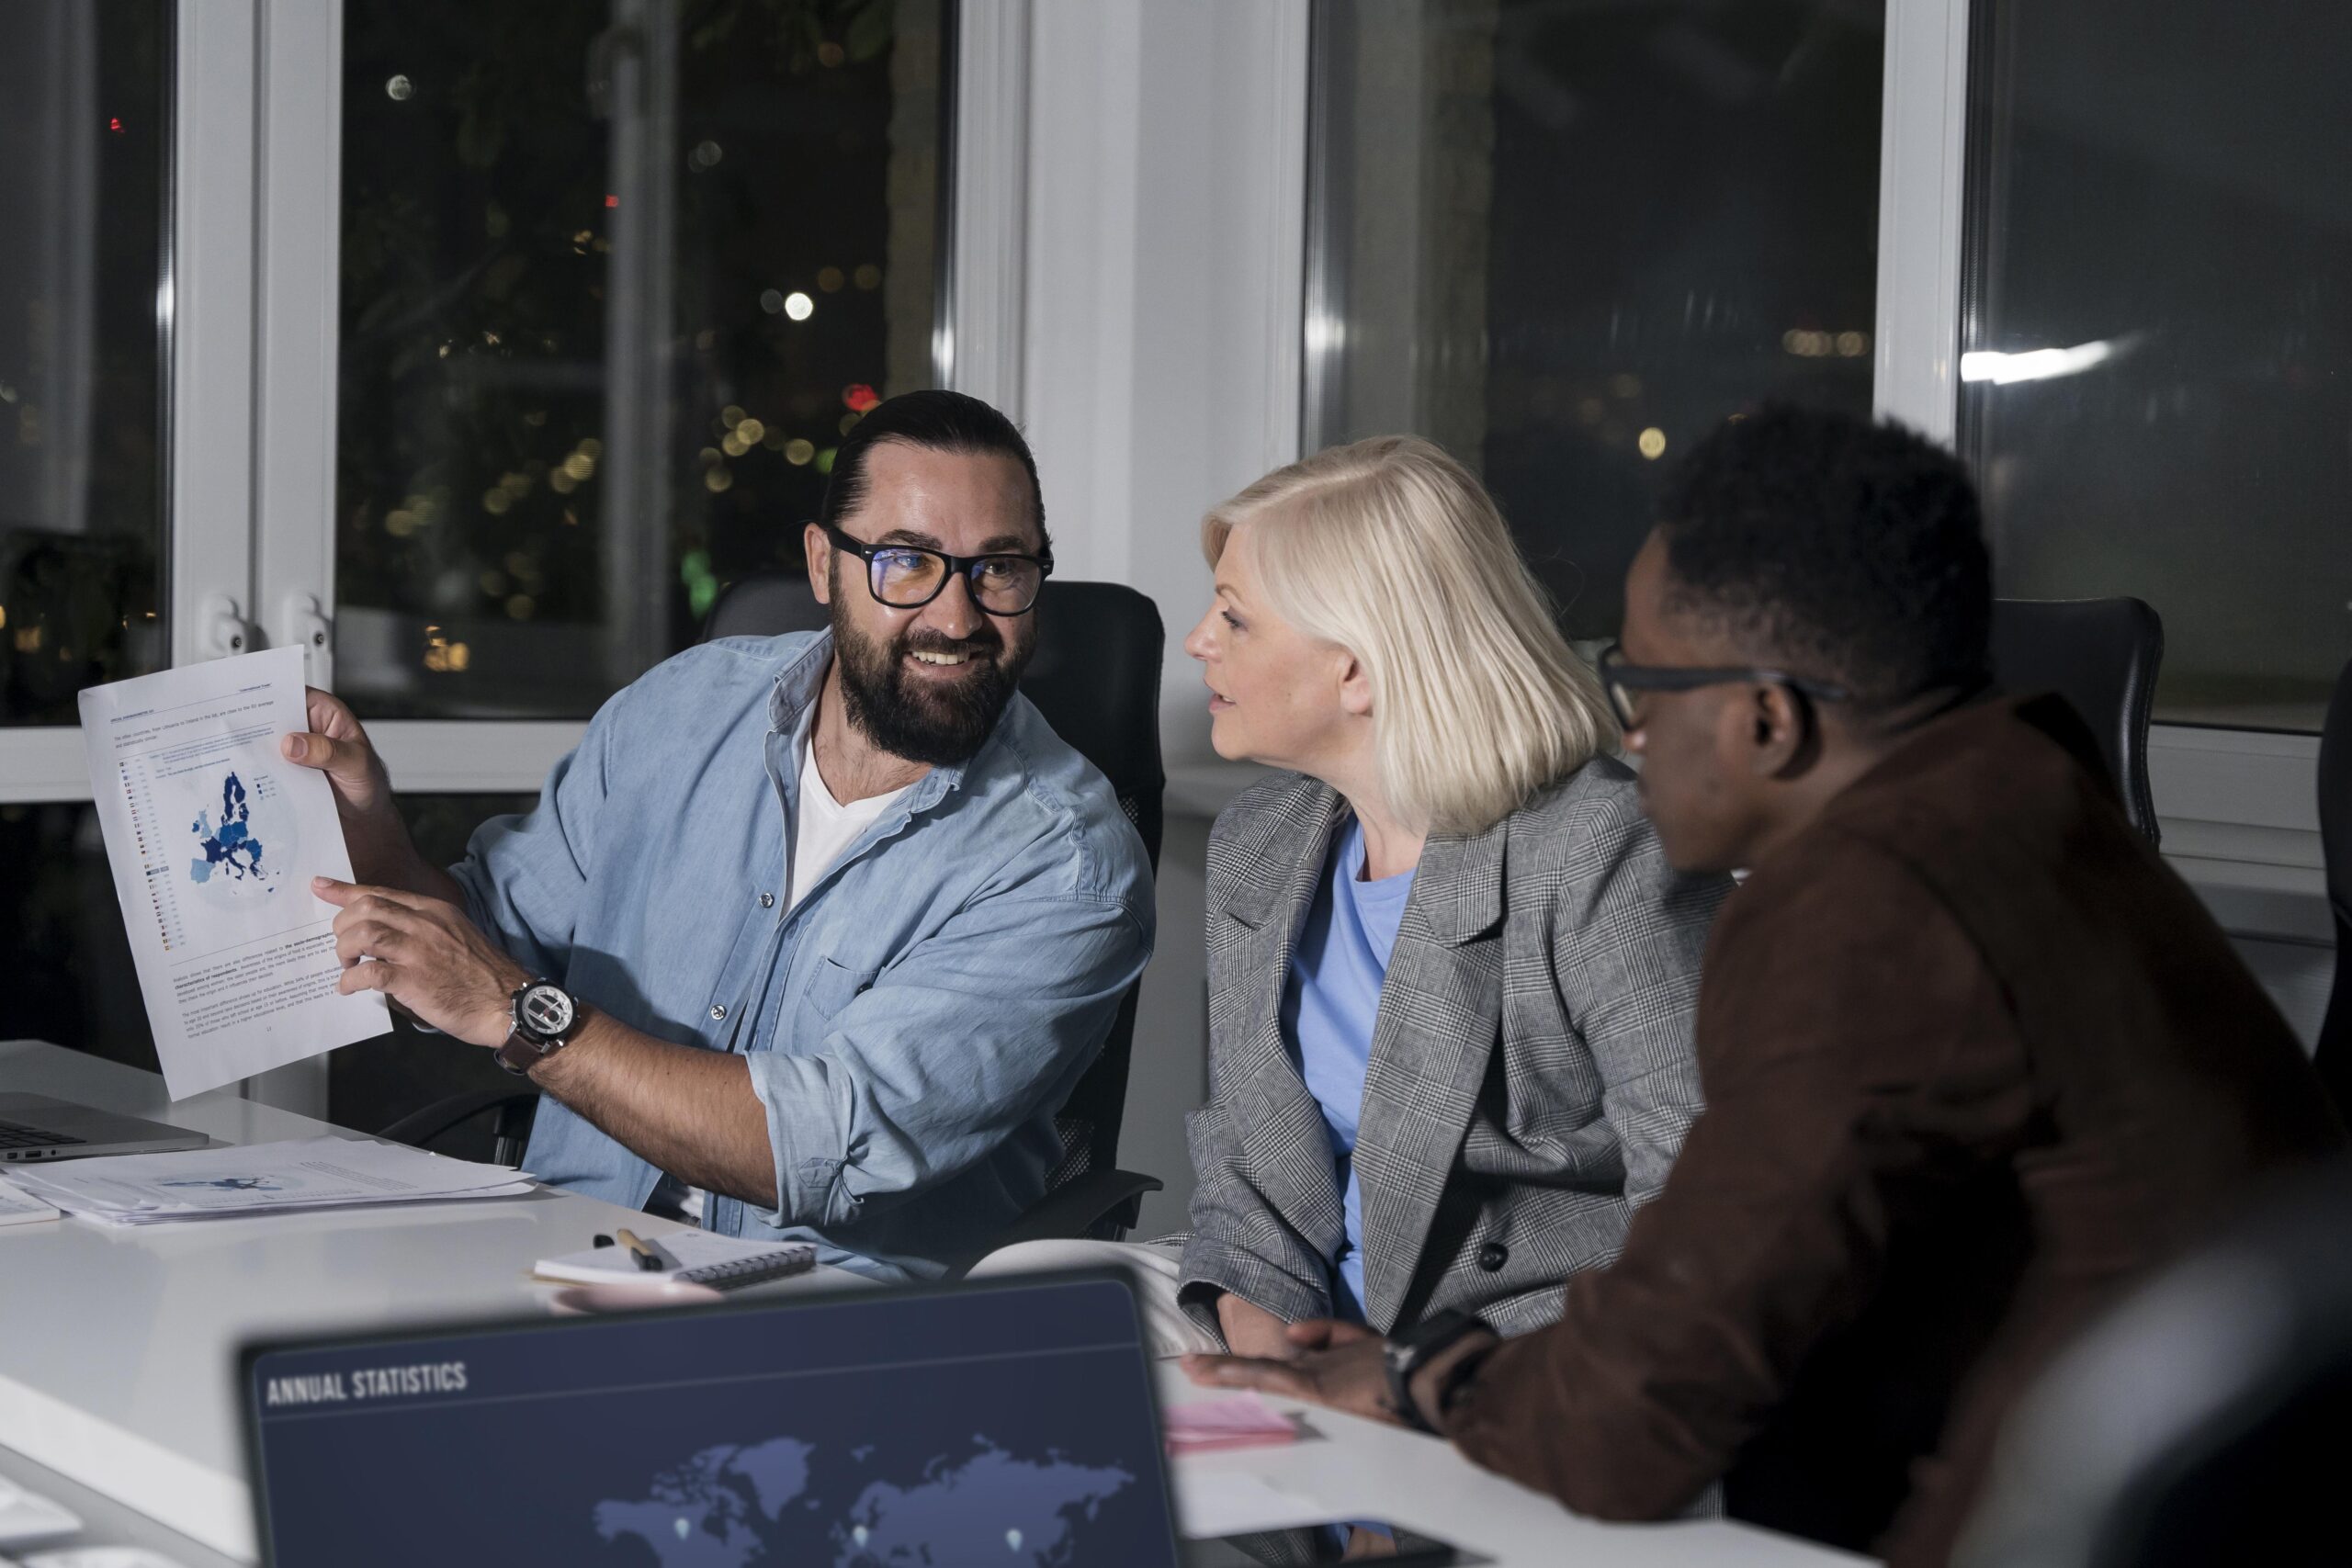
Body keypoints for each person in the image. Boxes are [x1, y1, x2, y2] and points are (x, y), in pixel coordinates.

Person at [1183, 406, 2346, 1565]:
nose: (1623, 740)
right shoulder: (2019, 796)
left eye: (1641, 688)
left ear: (1766, 719)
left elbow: (1652, 1396)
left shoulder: (1870, 913)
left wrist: (1416, 1381)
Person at [284, 389, 1154, 1280]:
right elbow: (484, 941)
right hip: (560, 1253)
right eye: (906, 562)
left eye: (1000, 569)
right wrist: (362, 823)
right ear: (824, 566)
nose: (957, 617)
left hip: (829, 1323)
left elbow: (814, 1149)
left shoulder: (1071, 867)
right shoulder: (681, 709)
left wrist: (521, 1014)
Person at [976, 435, 1724, 1368]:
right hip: (1302, 1318)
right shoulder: (1265, 842)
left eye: (1236, 618)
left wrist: (1414, 1395)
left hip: (1508, 1354)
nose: (1199, 639)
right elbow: (1251, 1173)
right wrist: (1270, 1357)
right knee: (1010, 1305)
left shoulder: (1603, 850)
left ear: (1358, 668)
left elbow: (1702, 1219)